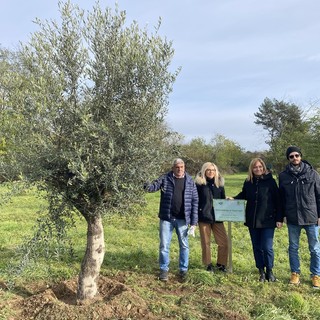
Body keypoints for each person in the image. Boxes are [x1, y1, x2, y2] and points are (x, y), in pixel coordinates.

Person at [144, 158, 199, 282]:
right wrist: (143, 178)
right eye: (177, 167)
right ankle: (164, 270)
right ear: (173, 168)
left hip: (183, 220)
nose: (179, 169)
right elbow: (152, 188)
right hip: (167, 218)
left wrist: (194, 222)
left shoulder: (190, 181)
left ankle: (183, 270)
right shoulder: (165, 178)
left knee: (184, 246)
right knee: (164, 245)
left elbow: (195, 201)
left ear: (184, 168)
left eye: (182, 167)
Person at [232, 158, 283, 282]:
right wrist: (233, 199)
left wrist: (279, 218)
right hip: (252, 220)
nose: (258, 169)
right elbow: (244, 194)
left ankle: (270, 271)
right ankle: (261, 271)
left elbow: (278, 200)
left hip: (268, 220)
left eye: (260, 167)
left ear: (264, 167)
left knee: (267, 247)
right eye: (255, 167)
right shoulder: (248, 182)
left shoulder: (271, 181)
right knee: (256, 247)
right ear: (252, 169)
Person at [279, 146, 320, 288]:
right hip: (293, 217)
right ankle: (295, 273)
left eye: (297, 155)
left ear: (301, 156)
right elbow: (281, 198)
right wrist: (281, 216)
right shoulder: (283, 176)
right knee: (293, 247)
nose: (295, 158)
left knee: (314, 248)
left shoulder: (312, 173)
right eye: (291, 156)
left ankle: (316, 275)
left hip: (311, 217)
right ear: (288, 159)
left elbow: (319, 196)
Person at [194, 162, 228, 273]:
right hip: (204, 216)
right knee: (206, 242)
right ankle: (208, 264)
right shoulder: (199, 184)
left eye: (213, 170)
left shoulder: (219, 184)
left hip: (217, 217)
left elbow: (222, 199)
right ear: (204, 171)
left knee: (224, 242)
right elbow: (195, 200)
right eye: (208, 170)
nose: (211, 172)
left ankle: (221, 264)